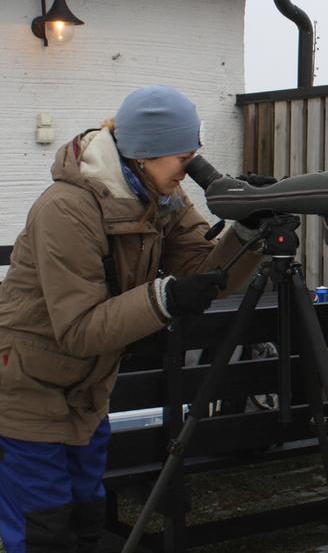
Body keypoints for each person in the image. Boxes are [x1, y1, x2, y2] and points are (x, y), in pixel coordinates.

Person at [0, 85, 263, 553]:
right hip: (28, 385)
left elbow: (204, 274)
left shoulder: (160, 197)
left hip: (88, 387)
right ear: (144, 153)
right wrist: (164, 298)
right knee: (43, 530)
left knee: (85, 518)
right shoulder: (66, 208)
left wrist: (248, 229)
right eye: (184, 157)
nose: (189, 171)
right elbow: (79, 328)